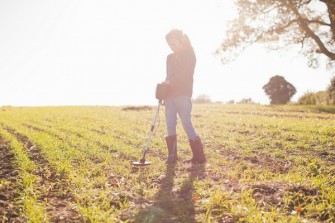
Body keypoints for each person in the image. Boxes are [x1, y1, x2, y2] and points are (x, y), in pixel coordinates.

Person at [162, 29, 206, 165]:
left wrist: (171, 82)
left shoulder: (190, 55)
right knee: (170, 124)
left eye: (174, 43)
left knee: (186, 122)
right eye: (169, 44)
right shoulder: (169, 57)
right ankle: (172, 156)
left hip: (183, 94)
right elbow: (168, 75)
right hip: (169, 96)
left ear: (181, 41)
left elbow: (185, 74)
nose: (172, 46)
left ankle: (199, 156)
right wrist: (164, 90)